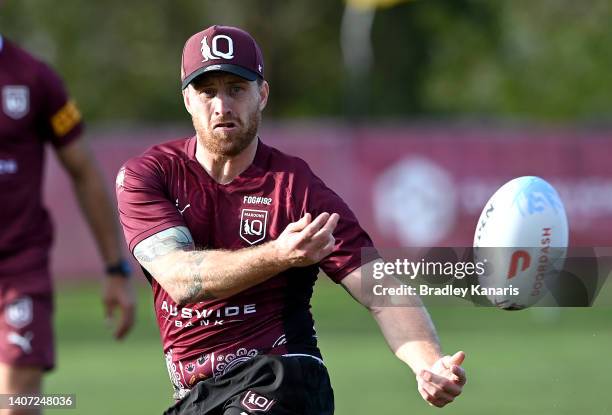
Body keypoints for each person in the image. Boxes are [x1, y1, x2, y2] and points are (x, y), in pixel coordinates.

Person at [116, 25, 466, 415]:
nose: (222, 106)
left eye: (236, 89)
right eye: (207, 91)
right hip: (197, 396)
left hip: (281, 378)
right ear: (187, 99)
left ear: (261, 95)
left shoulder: (297, 189)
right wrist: (279, 254)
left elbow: (380, 288)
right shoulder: (149, 175)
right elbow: (182, 280)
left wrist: (428, 363)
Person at [0, 34, 136, 413]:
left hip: (18, 269)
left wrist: (115, 268)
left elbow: (84, 172)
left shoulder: (34, 78)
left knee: (15, 405)